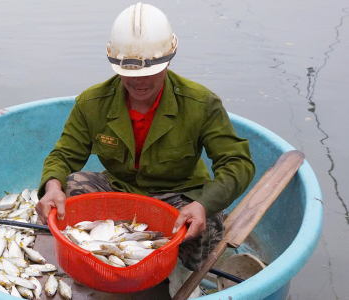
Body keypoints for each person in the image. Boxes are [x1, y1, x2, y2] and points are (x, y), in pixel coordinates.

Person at [35, 2, 255, 297]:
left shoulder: (201, 104)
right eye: (129, 71)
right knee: (71, 189)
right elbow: (63, 154)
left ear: (169, 59)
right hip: (120, 188)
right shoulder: (92, 103)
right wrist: (52, 187)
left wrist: (202, 205)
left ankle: (180, 271)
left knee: (210, 225)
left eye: (151, 70)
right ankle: (102, 263)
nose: (139, 81)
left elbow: (237, 162)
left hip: (179, 193)